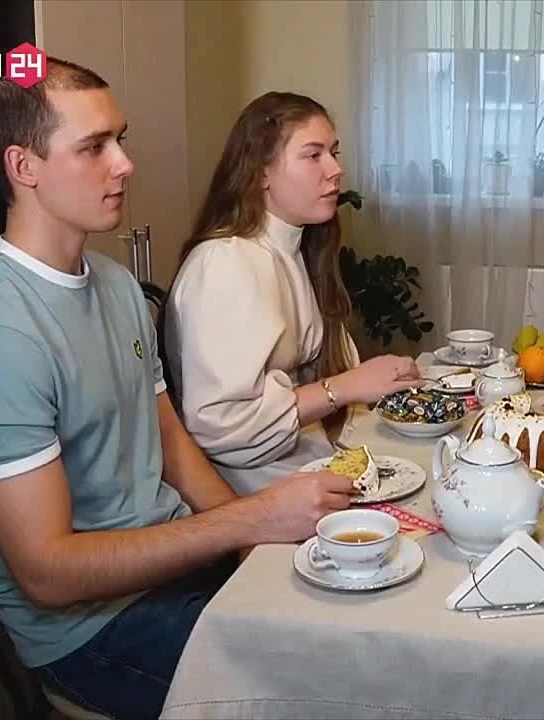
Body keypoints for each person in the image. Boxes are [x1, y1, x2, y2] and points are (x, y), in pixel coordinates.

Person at [0, 58, 355, 720]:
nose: (124, 164)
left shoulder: (116, 284)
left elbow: (171, 442)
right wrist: (247, 520)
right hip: (94, 630)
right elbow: (48, 574)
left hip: (178, 566)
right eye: (93, 147)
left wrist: (247, 540)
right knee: (333, 688)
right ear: (23, 166)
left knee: (358, 622)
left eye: (119, 140)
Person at [163, 91, 421, 496]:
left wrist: (379, 378)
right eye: (313, 155)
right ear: (260, 172)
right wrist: (345, 387)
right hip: (254, 491)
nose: (336, 169)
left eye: (334, 152)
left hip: (308, 463)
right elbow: (223, 426)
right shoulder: (224, 262)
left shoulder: (299, 248)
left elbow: (339, 374)